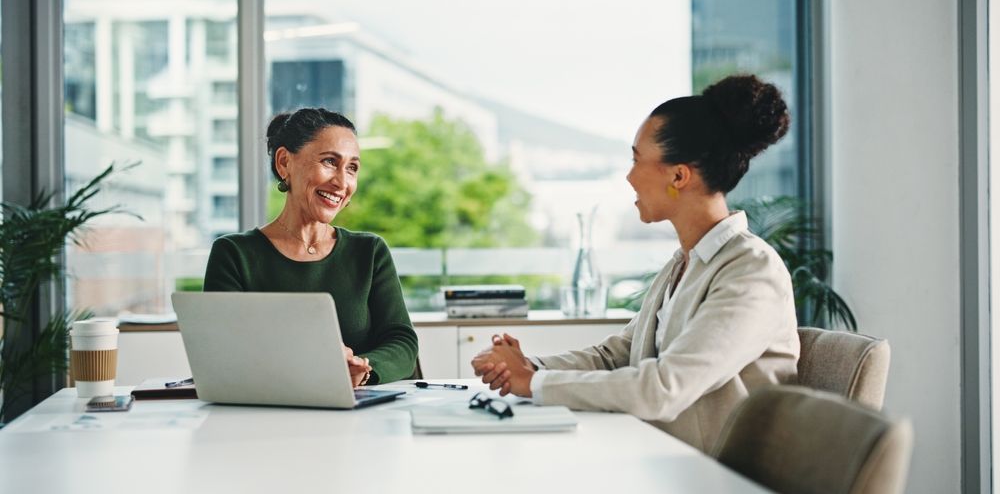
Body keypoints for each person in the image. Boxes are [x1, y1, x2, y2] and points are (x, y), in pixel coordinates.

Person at [471, 75, 800, 452]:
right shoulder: (685, 262)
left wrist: (532, 383)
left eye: (636, 159)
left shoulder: (752, 272)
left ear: (679, 175)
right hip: (659, 456)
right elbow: (617, 356)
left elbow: (664, 387)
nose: (628, 176)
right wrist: (528, 366)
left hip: (715, 475)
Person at [204, 108, 418, 387]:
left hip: (360, 413)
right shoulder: (233, 254)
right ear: (284, 163)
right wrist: (318, 362)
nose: (342, 182)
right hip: (264, 414)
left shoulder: (369, 251)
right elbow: (220, 352)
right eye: (330, 161)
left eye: (352, 168)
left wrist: (362, 369)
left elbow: (402, 342)